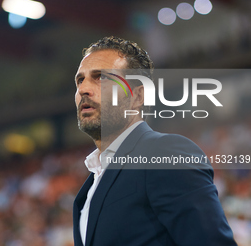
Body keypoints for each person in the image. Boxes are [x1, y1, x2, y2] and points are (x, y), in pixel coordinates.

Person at [73, 36, 237, 246]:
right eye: (80, 80)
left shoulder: (164, 153)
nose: (83, 89)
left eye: (101, 77)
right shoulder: (89, 188)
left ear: (138, 96)